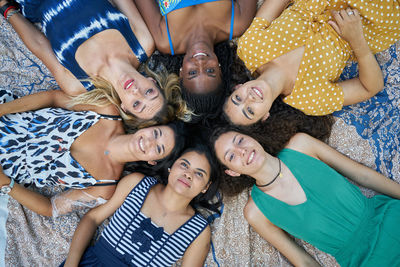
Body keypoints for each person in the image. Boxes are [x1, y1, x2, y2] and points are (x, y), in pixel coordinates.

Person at [212, 127, 400, 266]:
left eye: (239, 140)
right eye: (231, 156)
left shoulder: (301, 145)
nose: (242, 150)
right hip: (362, 261)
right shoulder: (255, 212)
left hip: (389, 218)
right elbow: (303, 261)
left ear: (251, 136)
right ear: (233, 172)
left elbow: (362, 175)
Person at [0, 89, 186, 217]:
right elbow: (54, 97)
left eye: (158, 148)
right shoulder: (107, 111)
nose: (149, 141)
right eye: (156, 133)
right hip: (9, 121)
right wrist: (2, 110)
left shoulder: (104, 188)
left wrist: (5, 184)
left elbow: (51, 208)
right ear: (150, 126)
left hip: (7, 168)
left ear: (153, 161)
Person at [0, 0, 182, 124]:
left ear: (125, 108)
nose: (137, 91)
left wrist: (5, 7)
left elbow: (39, 45)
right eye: (149, 92)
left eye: (136, 104)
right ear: (153, 82)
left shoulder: (78, 84)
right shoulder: (142, 42)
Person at [224, 0, 400, 125]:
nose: (249, 99)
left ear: (238, 87)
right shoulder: (309, 99)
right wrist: (357, 41)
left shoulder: (249, 49)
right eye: (250, 111)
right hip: (368, 17)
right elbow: (371, 87)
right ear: (265, 116)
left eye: (238, 98)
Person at [62, 143, 221, 266]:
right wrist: (71, 263)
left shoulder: (198, 231)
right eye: (184, 165)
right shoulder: (137, 183)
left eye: (199, 173)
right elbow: (93, 218)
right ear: (171, 167)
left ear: (206, 186)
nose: (188, 174)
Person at [134, 0, 257, 120]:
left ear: (181, 73)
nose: (200, 62)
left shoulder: (165, 40)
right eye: (210, 70)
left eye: (192, 73)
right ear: (220, 68)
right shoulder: (237, 23)